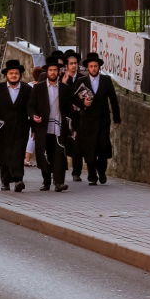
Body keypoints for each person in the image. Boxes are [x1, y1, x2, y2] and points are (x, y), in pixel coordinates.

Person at [0, 59, 32, 192]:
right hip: (1, 127)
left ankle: (18, 180)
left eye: (16, 73)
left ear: (20, 75)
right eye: (11, 73)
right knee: (4, 154)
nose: (14, 75)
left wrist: (34, 124)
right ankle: (5, 181)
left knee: (18, 153)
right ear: (6, 75)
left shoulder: (27, 89)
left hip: (21, 127)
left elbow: (31, 108)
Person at [74, 52, 121, 186]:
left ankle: (102, 172)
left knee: (103, 147)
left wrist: (116, 118)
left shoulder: (106, 80)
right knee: (90, 149)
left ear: (99, 67)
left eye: (95, 66)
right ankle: (91, 175)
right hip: (87, 121)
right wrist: (83, 104)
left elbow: (113, 99)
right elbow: (74, 99)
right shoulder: (81, 81)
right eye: (91, 66)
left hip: (103, 120)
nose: (94, 68)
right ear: (87, 68)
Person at [28, 55, 70, 192]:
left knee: (59, 154)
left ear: (58, 72)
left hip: (59, 127)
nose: (53, 72)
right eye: (50, 70)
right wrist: (34, 116)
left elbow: (70, 107)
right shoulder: (38, 88)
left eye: (55, 70)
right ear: (47, 72)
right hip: (42, 127)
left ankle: (59, 183)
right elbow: (31, 106)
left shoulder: (64, 88)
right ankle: (46, 181)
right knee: (44, 154)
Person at [61, 50, 83, 182]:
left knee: (77, 146)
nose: (74, 66)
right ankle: (59, 171)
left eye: (75, 63)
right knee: (61, 145)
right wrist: (63, 85)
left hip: (78, 117)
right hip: (64, 116)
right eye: (71, 63)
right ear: (66, 65)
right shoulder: (61, 78)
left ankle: (76, 172)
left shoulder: (82, 78)